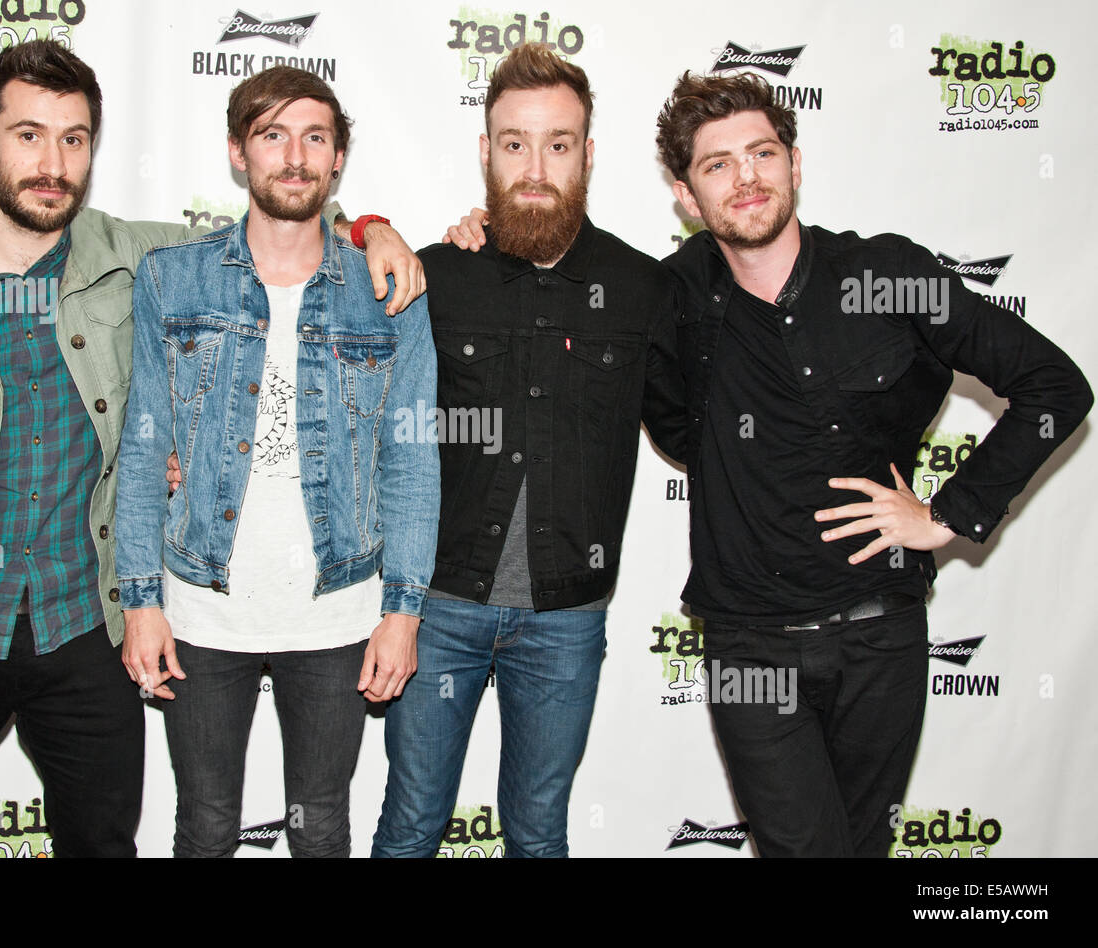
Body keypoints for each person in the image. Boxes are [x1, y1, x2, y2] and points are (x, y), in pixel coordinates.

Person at [0, 39, 423, 858]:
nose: (52, 162)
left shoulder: (139, 257)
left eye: (74, 138)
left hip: (81, 629)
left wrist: (370, 227)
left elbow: (280, 216)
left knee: (101, 844)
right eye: (28, 135)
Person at [652, 70, 1088, 857]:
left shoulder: (885, 275)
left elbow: (1055, 386)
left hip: (880, 640)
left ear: (793, 162)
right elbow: (558, 277)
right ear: (687, 196)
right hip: (749, 648)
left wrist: (952, 513)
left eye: (762, 153)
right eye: (718, 164)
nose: (746, 177)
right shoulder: (669, 297)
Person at [114, 66, 439, 858]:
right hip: (199, 604)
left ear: (336, 162)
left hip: (338, 609)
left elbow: (411, 460)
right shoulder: (173, 278)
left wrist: (403, 612)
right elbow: (143, 444)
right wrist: (140, 601)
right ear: (238, 151)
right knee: (205, 827)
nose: (294, 156)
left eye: (314, 137)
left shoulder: (390, 290)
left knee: (322, 826)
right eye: (272, 135)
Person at [369, 43, 684, 858]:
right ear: (486, 152)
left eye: (558, 143)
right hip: (436, 608)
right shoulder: (437, 274)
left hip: (566, 620)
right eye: (514, 143)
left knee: (539, 834)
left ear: (587, 153)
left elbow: (699, 428)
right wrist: (367, 225)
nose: (536, 165)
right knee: (411, 825)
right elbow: (316, 267)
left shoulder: (644, 288)